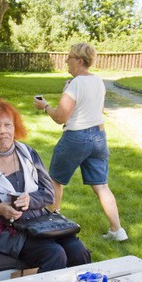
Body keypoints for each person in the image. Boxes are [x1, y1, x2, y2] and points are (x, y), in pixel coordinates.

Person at [0, 99, 91, 273]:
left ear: (15, 127)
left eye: (8, 125)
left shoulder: (28, 153)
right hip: (5, 231)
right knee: (54, 254)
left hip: (39, 223)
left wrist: (30, 199)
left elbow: (49, 193)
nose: (3, 131)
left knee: (78, 251)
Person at [33, 42, 126, 242]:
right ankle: (117, 230)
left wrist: (44, 105)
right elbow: (96, 110)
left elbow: (60, 117)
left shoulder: (75, 84)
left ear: (80, 61)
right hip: (99, 137)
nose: (67, 60)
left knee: (55, 180)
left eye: (70, 57)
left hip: (76, 137)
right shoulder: (98, 81)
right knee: (102, 185)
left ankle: (50, 225)